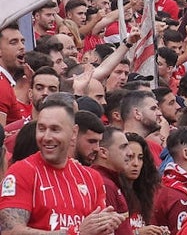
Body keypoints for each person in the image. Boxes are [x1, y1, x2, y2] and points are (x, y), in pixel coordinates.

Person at [0, 96, 126, 235]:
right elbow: (10, 231)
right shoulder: (21, 172)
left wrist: (107, 226)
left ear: (74, 133)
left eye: (55, 129)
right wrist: (75, 233)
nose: (47, 137)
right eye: (41, 129)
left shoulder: (91, 178)